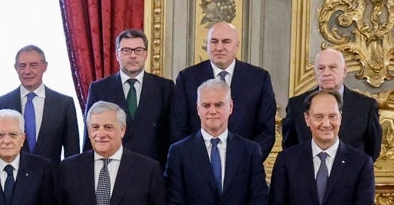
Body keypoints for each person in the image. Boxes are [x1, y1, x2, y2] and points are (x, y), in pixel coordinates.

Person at [171, 21, 277, 159]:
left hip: (243, 168)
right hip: (197, 166)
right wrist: (195, 162)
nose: (219, 47)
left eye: (226, 41)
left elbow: (266, 131)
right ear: (207, 45)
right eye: (214, 42)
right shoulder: (187, 78)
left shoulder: (259, 78)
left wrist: (247, 161)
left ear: (237, 45)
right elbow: (179, 128)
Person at [84, 29, 176, 164]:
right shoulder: (100, 88)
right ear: (117, 55)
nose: (133, 55)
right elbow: (90, 135)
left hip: (153, 169)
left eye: (138, 50)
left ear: (146, 54)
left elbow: (172, 134)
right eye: (126, 50)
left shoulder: (165, 87)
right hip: (111, 168)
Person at [283, 48, 381, 160]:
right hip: (307, 174)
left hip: (351, 175)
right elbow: (289, 148)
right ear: (315, 72)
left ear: (344, 71)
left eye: (332, 67)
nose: (326, 73)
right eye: (321, 68)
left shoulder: (366, 106)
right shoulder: (296, 105)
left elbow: (373, 150)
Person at [0, 45, 80, 163]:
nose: (27, 71)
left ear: (45, 67)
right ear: (16, 68)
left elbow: (72, 153)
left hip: (52, 179)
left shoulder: (64, 104)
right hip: (11, 179)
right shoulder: (0, 104)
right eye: (22, 66)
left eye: (33, 65)